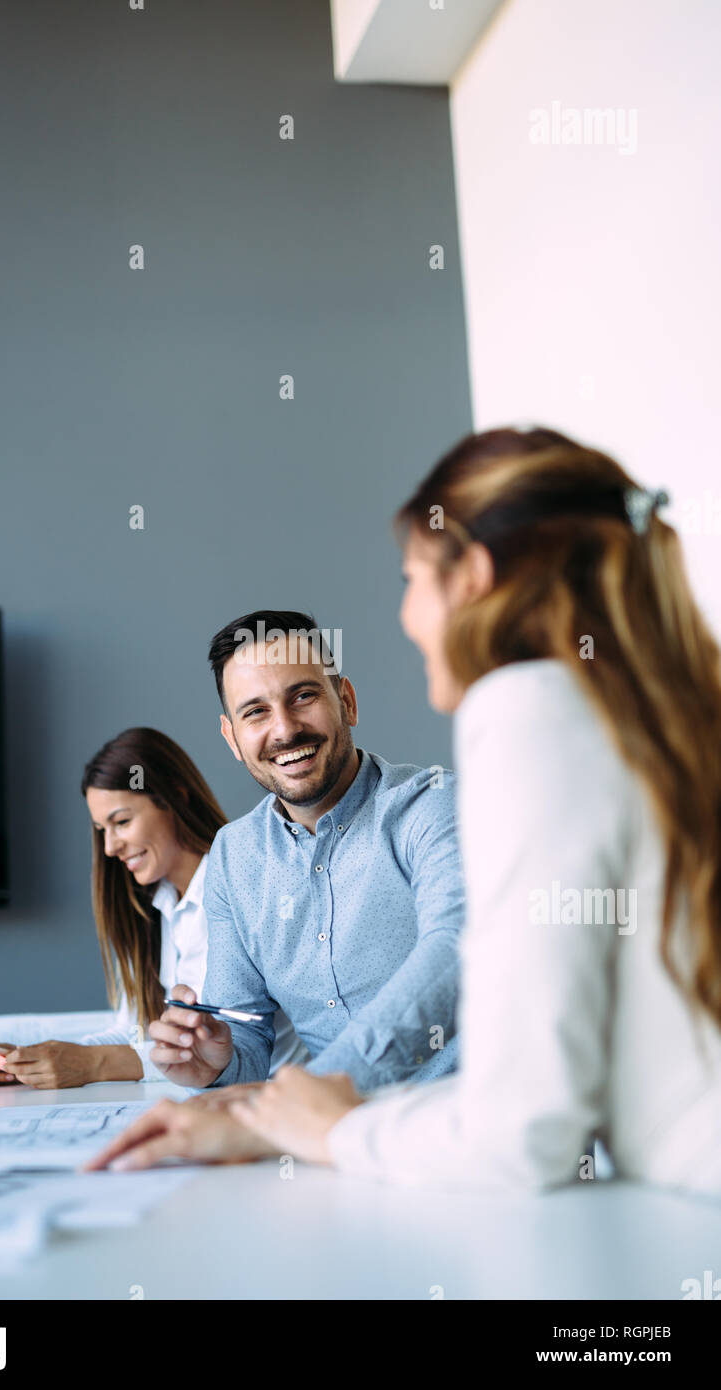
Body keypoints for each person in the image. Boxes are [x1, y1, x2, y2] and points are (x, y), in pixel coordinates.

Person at [87, 427, 721, 1197]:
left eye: (411, 580)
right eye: (255, 712)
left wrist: (307, 1121)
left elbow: (526, 1128)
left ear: (471, 578)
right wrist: (239, 1075)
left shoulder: (525, 717)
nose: (407, 616)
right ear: (230, 735)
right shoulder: (647, 707)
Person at [139, 610, 466, 1096]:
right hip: (336, 1138)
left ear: (347, 702)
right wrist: (216, 1063)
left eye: (304, 696)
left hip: (470, 1127)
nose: (286, 730)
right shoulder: (233, 855)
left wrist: (311, 1090)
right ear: (232, 738)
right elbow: (245, 1032)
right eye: (256, 712)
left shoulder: (435, 806)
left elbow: (455, 950)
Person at [0, 727, 306, 1088]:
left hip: (279, 1096)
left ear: (176, 798)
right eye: (102, 830)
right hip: (224, 1099)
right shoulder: (157, 904)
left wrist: (92, 1063)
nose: (110, 847)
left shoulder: (236, 891)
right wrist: (33, 1059)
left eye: (122, 822)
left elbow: (198, 1050)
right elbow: (132, 1033)